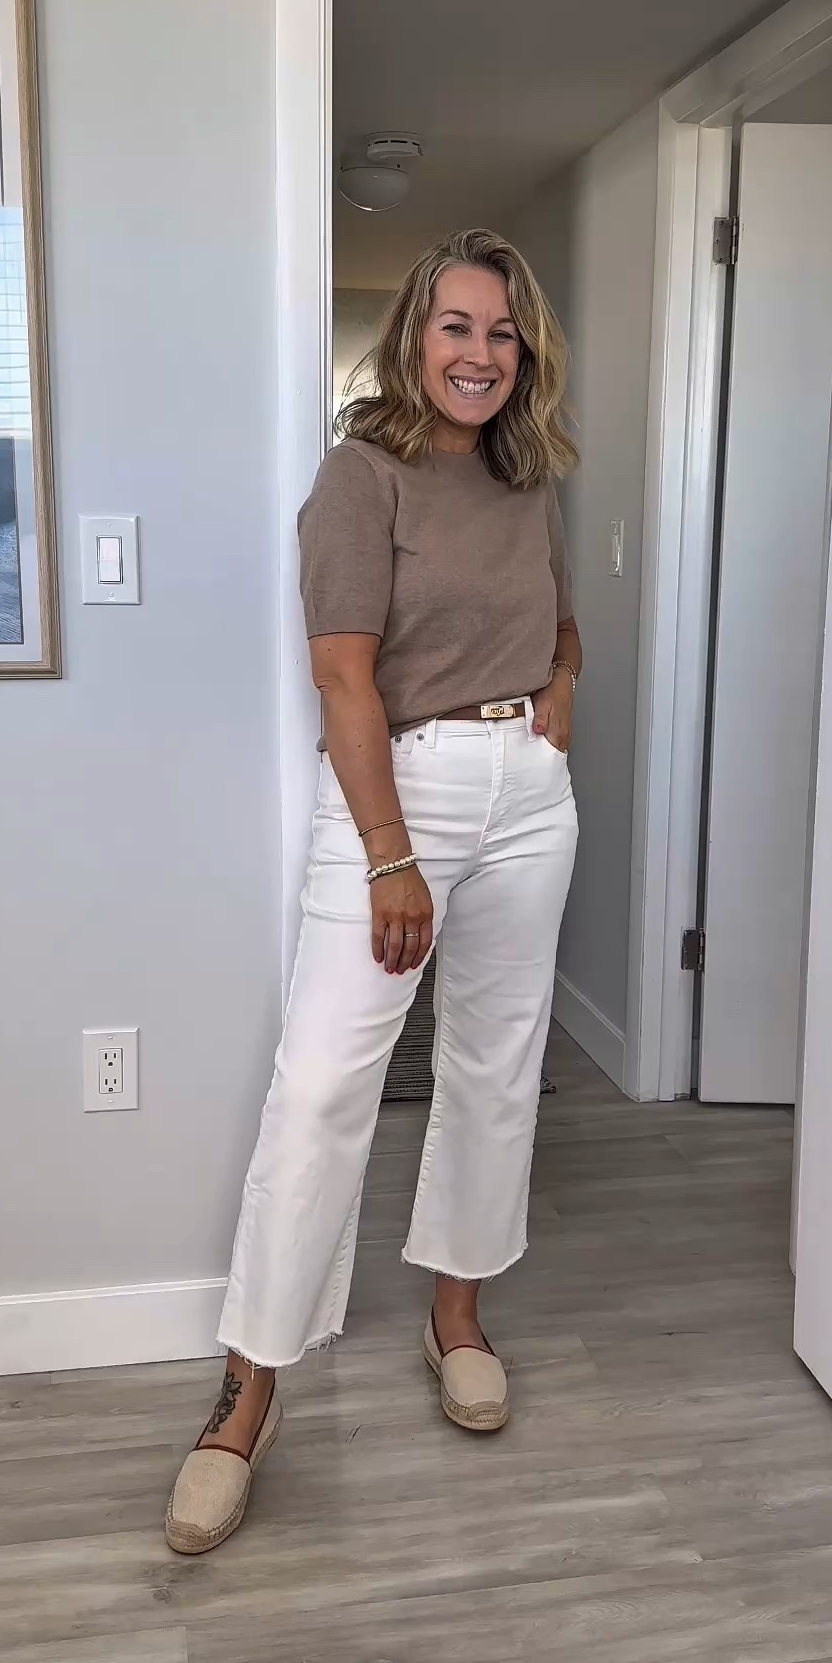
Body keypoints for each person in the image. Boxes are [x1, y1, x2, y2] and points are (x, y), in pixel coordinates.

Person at [166, 228, 582, 1555]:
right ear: (415, 338)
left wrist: (556, 715)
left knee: (496, 1064)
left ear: (527, 355)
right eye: (455, 326)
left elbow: (562, 625)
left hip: (528, 794)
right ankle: (250, 1392)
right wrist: (392, 854)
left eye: (501, 333)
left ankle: (457, 1320)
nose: (477, 354)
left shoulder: (531, 482)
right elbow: (343, 675)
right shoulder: (363, 478)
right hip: (398, 793)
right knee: (326, 1086)